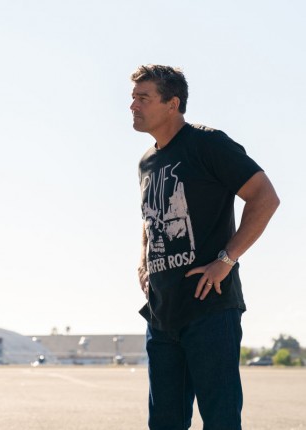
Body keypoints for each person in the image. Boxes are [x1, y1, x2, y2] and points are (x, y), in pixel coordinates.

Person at [131, 65, 279, 429]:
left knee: (220, 420)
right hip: (162, 313)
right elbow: (150, 219)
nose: (133, 106)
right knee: (164, 423)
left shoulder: (208, 143)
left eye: (143, 98)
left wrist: (226, 259)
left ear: (172, 104)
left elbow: (265, 197)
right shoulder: (147, 162)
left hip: (209, 308)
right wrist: (143, 263)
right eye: (133, 97)